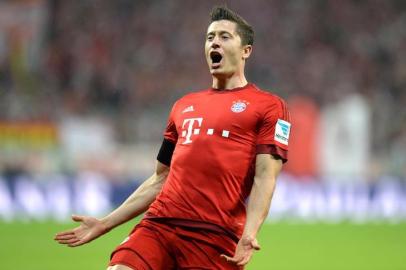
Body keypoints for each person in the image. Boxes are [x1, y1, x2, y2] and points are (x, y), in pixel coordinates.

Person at [55, 6, 291, 270]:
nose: (214, 42)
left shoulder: (269, 106)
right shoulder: (184, 106)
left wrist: (250, 233)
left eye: (225, 36)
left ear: (246, 50)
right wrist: (105, 223)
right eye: (210, 37)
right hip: (159, 223)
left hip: (215, 235)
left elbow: (265, 177)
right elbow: (161, 178)